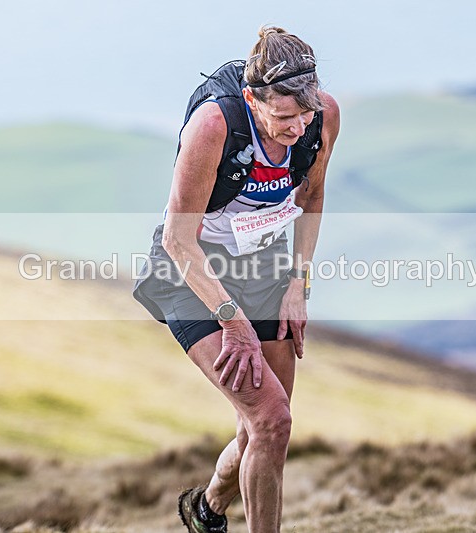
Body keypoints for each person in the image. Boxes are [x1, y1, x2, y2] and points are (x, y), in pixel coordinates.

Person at [133, 25, 340, 533]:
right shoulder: (213, 128)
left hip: (264, 264)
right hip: (190, 271)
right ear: (252, 99)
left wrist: (299, 286)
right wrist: (232, 320)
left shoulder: (322, 118)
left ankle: (205, 510)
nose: (298, 128)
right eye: (285, 117)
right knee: (272, 419)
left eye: (306, 113)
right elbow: (178, 242)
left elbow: (310, 199)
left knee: (263, 429)